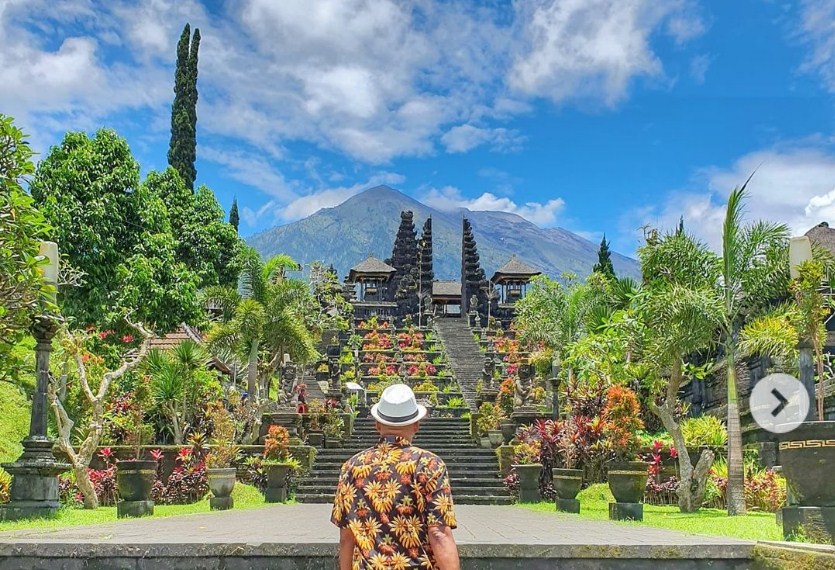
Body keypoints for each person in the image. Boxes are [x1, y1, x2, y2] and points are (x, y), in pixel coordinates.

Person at [331, 383, 460, 570]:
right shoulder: (429, 464)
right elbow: (439, 533)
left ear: (377, 425)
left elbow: (346, 537)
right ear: (416, 425)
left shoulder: (351, 467)